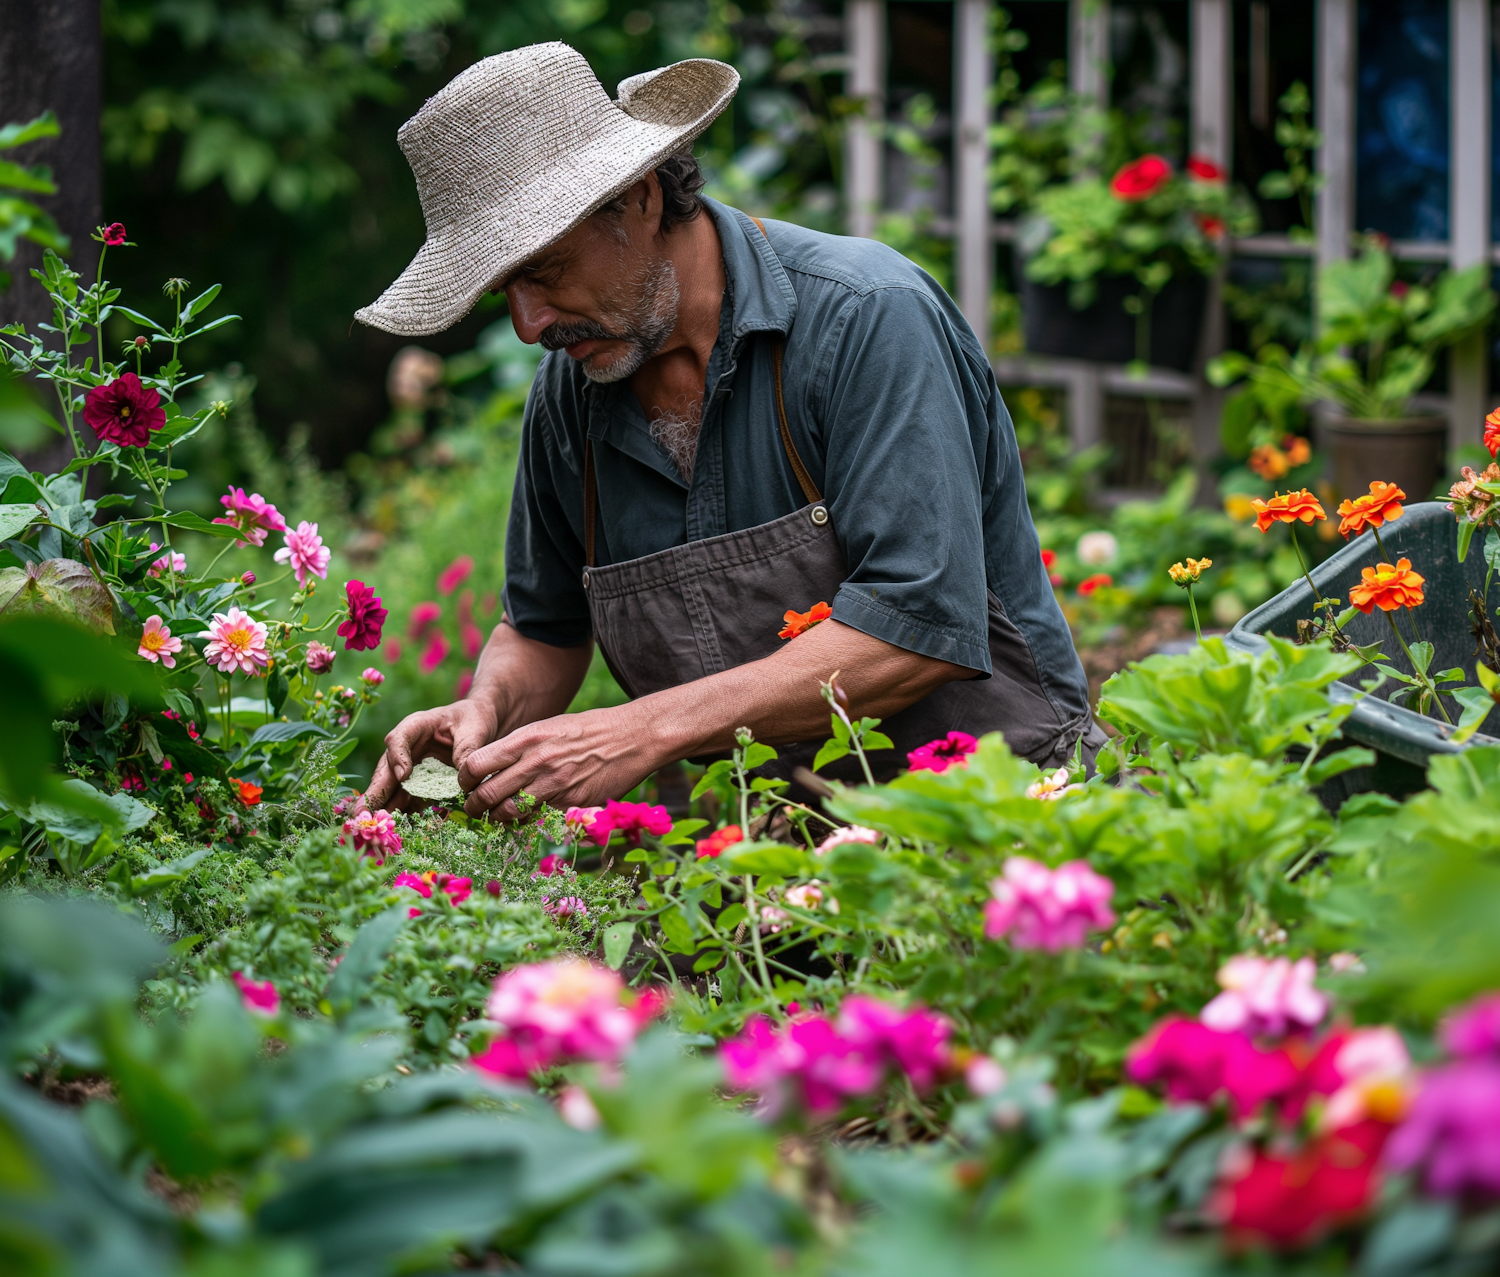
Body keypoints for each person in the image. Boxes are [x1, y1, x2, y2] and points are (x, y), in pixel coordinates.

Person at [360, 41, 1103, 819]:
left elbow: (916, 627)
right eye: (503, 290)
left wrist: (641, 730)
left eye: (542, 271)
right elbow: (543, 628)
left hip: (992, 831)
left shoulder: (865, 319)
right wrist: (489, 709)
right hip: (749, 899)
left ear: (640, 197)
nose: (527, 324)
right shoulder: (570, 395)